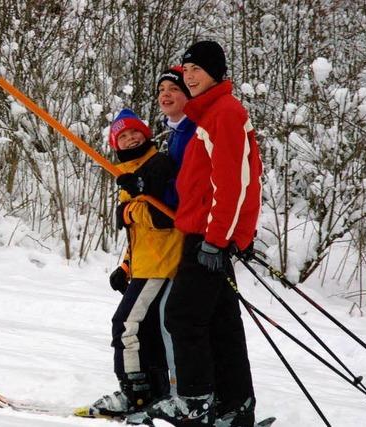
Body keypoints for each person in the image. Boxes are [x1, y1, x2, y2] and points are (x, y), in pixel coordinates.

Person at [127, 40, 263, 427]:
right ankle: (235, 405)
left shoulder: (224, 113)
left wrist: (219, 239)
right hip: (204, 233)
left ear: (215, 73)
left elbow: (235, 182)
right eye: (185, 71)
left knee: (182, 316)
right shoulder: (210, 113)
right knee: (221, 322)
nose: (188, 77)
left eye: (196, 71)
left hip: (207, 237)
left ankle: (194, 400)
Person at [82, 108, 184, 418]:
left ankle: (133, 393)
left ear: (146, 134)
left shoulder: (159, 164)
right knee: (147, 331)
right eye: (122, 136)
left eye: (134, 132)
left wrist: (129, 211)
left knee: (125, 326)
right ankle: (154, 390)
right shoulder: (130, 174)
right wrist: (125, 266)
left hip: (161, 264)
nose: (130, 138)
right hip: (145, 264)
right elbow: (138, 236)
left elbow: (164, 217)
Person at [156, 65, 196, 210]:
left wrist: (152, 190)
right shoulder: (176, 132)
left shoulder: (196, 131)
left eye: (174, 89)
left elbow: (190, 186)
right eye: (161, 89)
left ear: (188, 94)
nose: (165, 94)